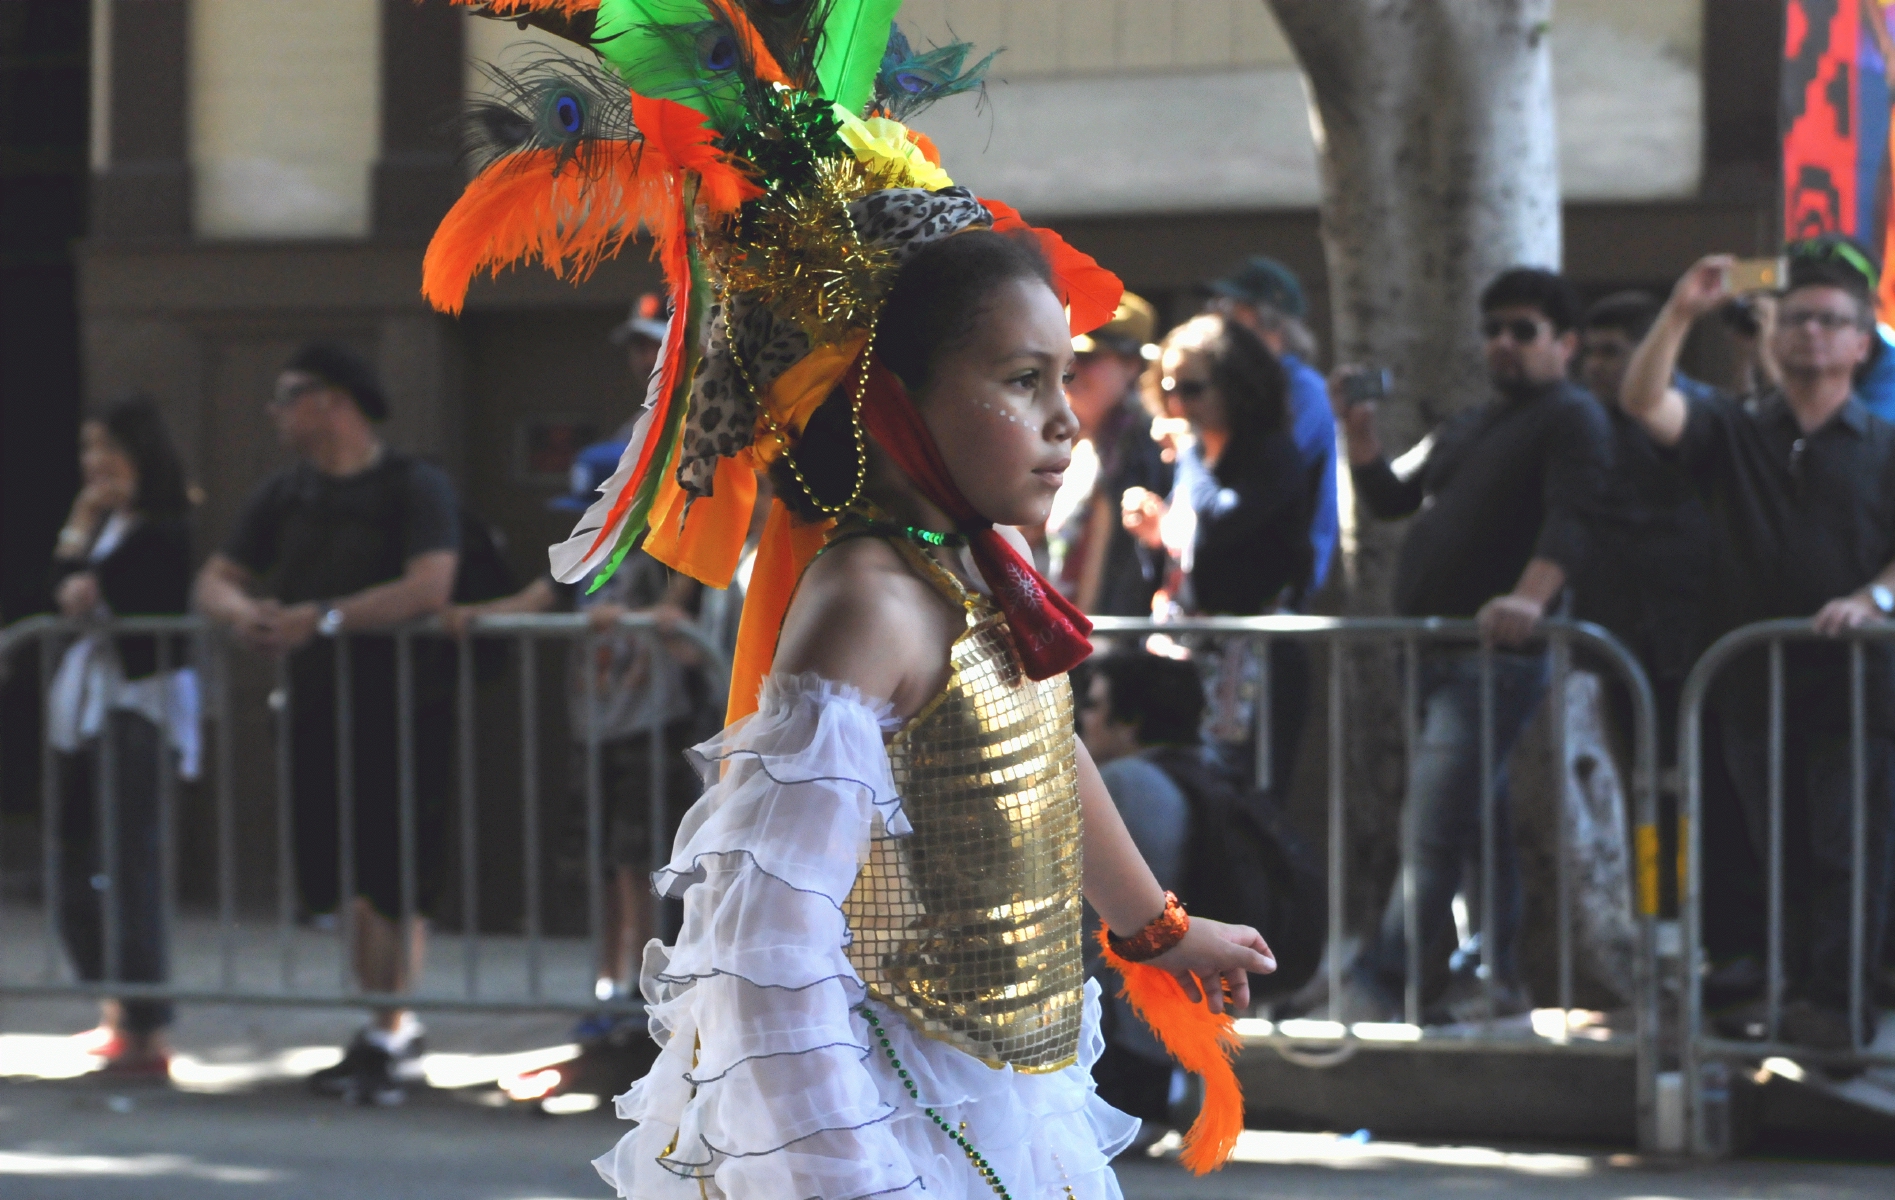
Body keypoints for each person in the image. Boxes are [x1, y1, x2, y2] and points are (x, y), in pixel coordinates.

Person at [421, 17, 1274, 1193]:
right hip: (898, 1106)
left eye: (1064, 378)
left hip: (1007, 1093)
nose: (1065, 422)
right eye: (1021, 383)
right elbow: (764, 944)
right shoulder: (867, 602)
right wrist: (848, 1172)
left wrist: (1157, 931)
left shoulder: (974, 571)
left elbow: (1041, 754)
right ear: (893, 399)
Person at [1621, 252, 1895, 1050]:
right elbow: (1642, 401)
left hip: (1854, 687)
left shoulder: (1881, 441)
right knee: (1773, 852)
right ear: (1773, 338)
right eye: (1797, 317)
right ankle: (1795, 998)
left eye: (1831, 321)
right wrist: (1680, 311)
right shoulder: (1732, 429)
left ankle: (1837, 1011)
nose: (1811, 333)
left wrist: (1869, 597)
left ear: (1858, 345)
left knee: (1846, 849)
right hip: (1749, 682)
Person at [1334, 267, 1612, 1023]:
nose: (1503, 344)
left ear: (1564, 342)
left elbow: (1573, 518)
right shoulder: (1472, 422)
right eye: (1493, 330)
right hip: (1431, 652)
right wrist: (1359, 431)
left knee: (1432, 827)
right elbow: (1391, 496)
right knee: (1472, 823)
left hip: (1491, 659)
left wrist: (1529, 597)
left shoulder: (1572, 417)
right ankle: (1496, 977)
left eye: (1522, 331)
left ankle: (1377, 986)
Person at [193, 343, 460, 1105]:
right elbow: (216, 576)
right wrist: (249, 614)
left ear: (333, 401)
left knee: (396, 873)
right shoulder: (287, 493)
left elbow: (429, 583)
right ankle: (381, 1030)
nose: (275, 412)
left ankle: (393, 1031)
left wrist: (328, 618)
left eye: (288, 395)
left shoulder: (415, 486)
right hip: (316, 707)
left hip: (402, 706)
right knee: (342, 874)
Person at [445, 440, 707, 1006]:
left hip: (651, 723)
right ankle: (607, 980)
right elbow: (533, 600)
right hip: (595, 726)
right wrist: (475, 614)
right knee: (603, 860)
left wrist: (655, 616)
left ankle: (644, 986)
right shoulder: (579, 557)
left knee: (639, 858)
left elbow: (684, 606)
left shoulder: (668, 554)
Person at [47, 396, 195, 1079]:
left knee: (131, 868)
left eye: (106, 447)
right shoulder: (109, 524)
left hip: (139, 708)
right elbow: (63, 590)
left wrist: (85, 572)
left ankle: (147, 1029)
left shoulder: (165, 526)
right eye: (86, 449)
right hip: (87, 709)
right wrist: (81, 524)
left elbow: (108, 599)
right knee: (75, 867)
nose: (94, 464)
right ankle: (118, 1009)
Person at [1122, 313, 1315, 795]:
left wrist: (1187, 454)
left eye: (1192, 389)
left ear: (1236, 387)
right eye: (1168, 387)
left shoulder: (1271, 454)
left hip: (1251, 670)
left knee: (1245, 806)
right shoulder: (1196, 455)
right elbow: (1183, 555)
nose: (1176, 403)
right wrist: (1152, 533)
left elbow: (1218, 532)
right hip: (1187, 664)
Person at [1573, 291, 1717, 751]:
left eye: (1611, 351)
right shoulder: (1582, 421)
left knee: (1702, 777)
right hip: (1619, 637)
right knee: (1641, 778)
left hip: (1696, 634)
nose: (1595, 365)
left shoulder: (1704, 415)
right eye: (1589, 352)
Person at [1076, 654, 1198, 1135]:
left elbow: (1089, 927)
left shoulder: (1125, 786)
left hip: (1121, 1037)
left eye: (1096, 705)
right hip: (1170, 1029)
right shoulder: (1204, 776)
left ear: (1130, 722)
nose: (1084, 718)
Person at [1205, 255, 1341, 595]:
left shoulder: (1304, 389)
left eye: (1236, 308)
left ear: (1271, 321)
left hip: (1280, 578)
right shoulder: (1240, 386)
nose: (1222, 318)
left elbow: (1268, 472)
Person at [1047, 292, 1172, 616]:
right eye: (1066, 358)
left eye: (1087, 357)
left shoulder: (1149, 447)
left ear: (1131, 365)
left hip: (1112, 648)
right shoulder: (1077, 440)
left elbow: (1131, 573)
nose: (1071, 371)